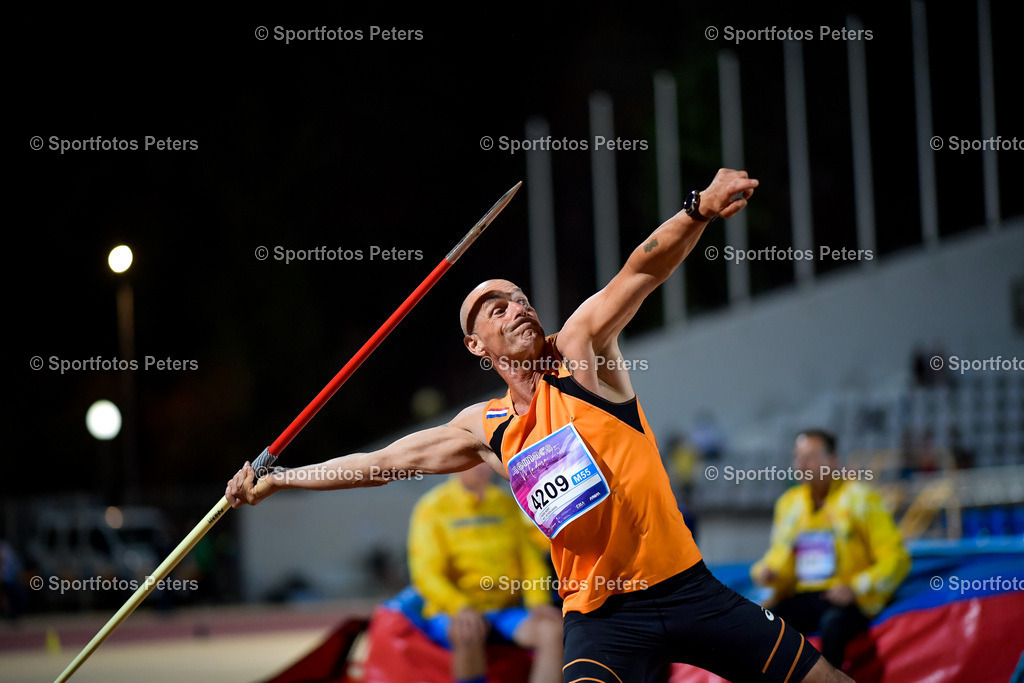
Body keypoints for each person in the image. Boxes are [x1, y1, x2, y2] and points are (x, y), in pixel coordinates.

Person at [228, 168, 852, 682]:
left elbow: (641, 271)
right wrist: (282, 479)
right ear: (478, 345)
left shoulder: (580, 352)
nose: (517, 308)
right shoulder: (485, 425)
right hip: (601, 619)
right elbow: (379, 464)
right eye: (496, 308)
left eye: (520, 298)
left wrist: (698, 211)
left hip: (687, 587)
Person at [752, 430, 911, 671]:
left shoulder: (861, 499)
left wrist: (857, 587)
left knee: (833, 624)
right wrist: (767, 573)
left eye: (811, 457)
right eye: (798, 457)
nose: (801, 465)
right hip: (805, 595)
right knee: (762, 623)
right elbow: (777, 560)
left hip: (848, 599)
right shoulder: (789, 504)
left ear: (832, 461)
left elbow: (896, 559)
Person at [407, 461, 562, 683]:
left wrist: (538, 601)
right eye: (473, 463)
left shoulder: (504, 503)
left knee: (553, 630)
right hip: (454, 610)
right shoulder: (433, 507)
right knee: (468, 630)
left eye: (485, 463)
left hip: (504, 610)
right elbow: (425, 573)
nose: (482, 469)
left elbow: (530, 562)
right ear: (457, 465)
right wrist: (460, 607)